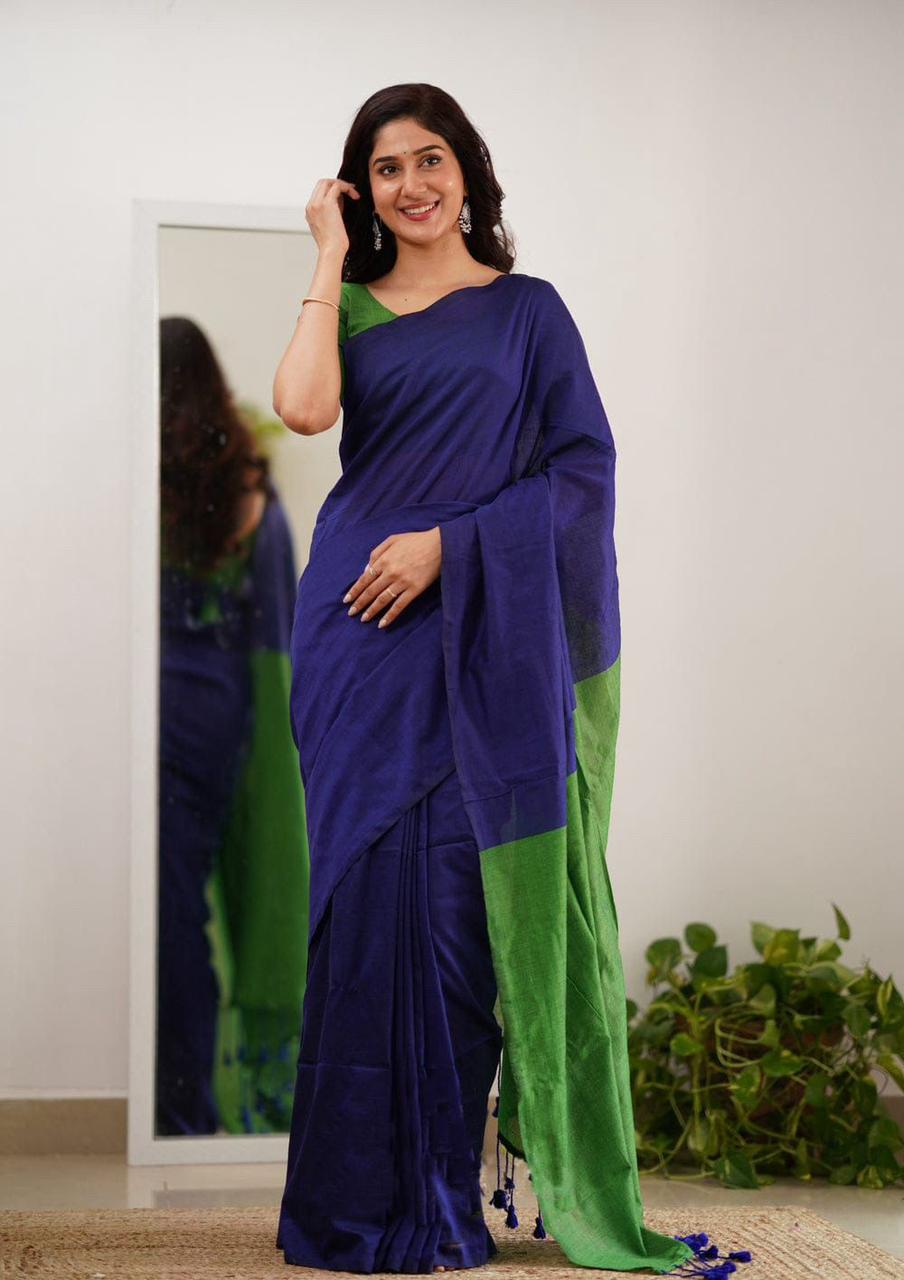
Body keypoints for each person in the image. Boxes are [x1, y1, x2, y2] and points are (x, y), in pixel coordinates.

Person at [272, 84, 751, 1278]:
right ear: (362, 188)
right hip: (358, 637)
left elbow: (582, 478)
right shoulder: (355, 304)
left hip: (482, 643)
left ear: (468, 173)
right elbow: (303, 407)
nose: (412, 184)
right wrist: (327, 256)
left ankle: (436, 1200)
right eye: (387, 168)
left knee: (455, 925)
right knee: (362, 919)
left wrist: (452, 545)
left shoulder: (530, 313)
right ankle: (344, 1207)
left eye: (430, 159)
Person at [158, 318, 307, 1136]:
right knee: (183, 908)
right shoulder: (245, 488)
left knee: (170, 911)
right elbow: (275, 629)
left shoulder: (144, 487)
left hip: (158, 719)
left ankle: (183, 1108)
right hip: (219, 720)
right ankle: (189, 1104)